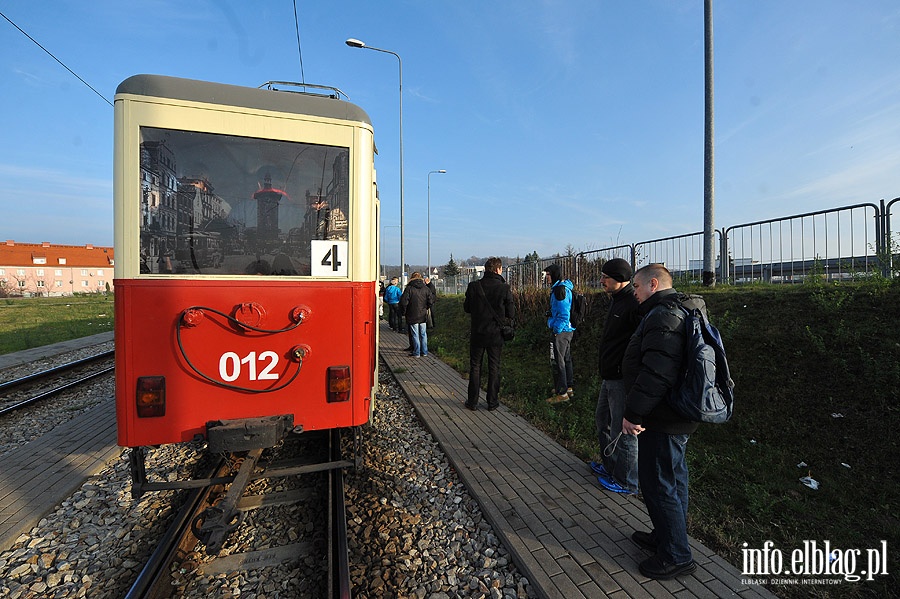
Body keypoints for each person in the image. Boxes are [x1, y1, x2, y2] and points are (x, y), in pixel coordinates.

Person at [622, 264, 705, 580]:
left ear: (653, 284)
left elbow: (656, 373)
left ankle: (677, 555)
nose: (635, 294)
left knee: (660, 484)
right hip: (672, 415)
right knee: (672, 480)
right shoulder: (675, 309)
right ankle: (666, 536)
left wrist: (634, 413)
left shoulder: (664, 316)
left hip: (664, 416)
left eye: (637, 287)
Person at [590, 258, 642, 496]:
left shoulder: (633, 304)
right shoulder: (616, 301)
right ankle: (610, 467)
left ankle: (627, 481)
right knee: (603, 422)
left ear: (620, 279)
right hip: (608, 375)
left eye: (605, 277)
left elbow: (638, 345)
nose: (601, 281)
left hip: (622, 379)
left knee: (623, 432)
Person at [463, 257, 515, 411]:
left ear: (485, 269)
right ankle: (492, 402)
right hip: (495, 335)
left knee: (475, 367)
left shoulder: (474, 286)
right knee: (494, 367)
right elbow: (510, 313)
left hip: (478, 333)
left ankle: (472, 402)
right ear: (498, 270)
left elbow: (467, 308)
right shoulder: (504, 288)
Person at [544, 263, 575, 404]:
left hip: (561, 331)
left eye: (548, 274)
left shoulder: (559, 290)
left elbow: (563, 313)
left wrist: (555, 329)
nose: (546, 277)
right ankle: (568, 387)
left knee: (558, 361)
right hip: (568, 330)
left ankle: (561, 393)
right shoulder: (563, 287)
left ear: (554, 274)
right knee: (566, 359)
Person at [400, 272, 433, 357]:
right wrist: (425, 307)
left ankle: (416, 352)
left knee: (415, 334)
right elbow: (431, 301)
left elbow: (404, 302)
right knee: (423, 334)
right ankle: (424, 352)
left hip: (412, 314)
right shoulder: (426, 288)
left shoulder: (409, 288)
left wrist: (404, 312)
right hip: (423, 314)